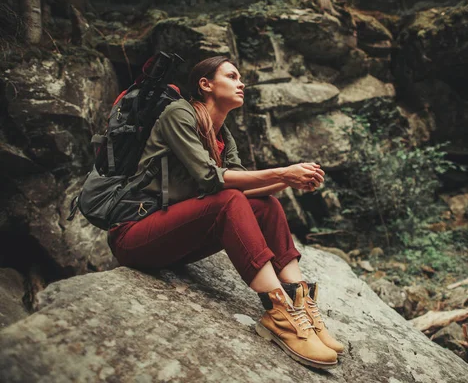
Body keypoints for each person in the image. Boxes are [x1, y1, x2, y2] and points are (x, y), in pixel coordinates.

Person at [107, 56, 344, 369]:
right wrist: (282, 172)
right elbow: (211, 180)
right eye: (232, 76)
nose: (241, 83)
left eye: (240, 78)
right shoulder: (178, 114)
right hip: (134, 234)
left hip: (175, 238)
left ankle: (302, 305)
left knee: (267, 205)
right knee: (229, 199)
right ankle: (280, 316)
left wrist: (287, 183)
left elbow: (243, 191)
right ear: (205, 84)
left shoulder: (223, 135)